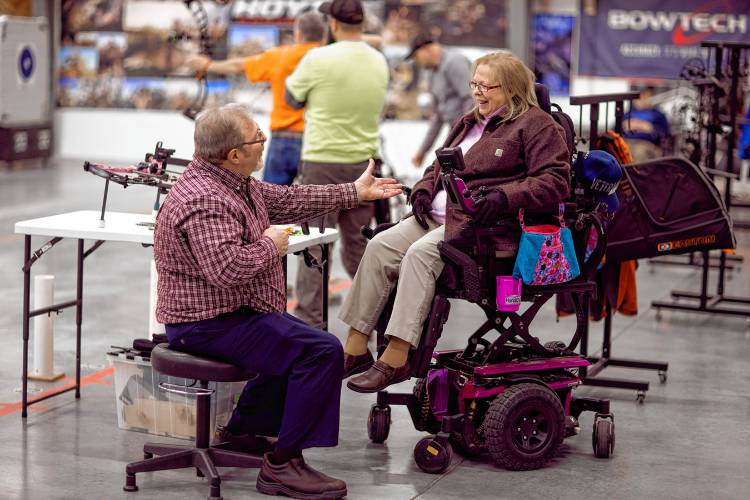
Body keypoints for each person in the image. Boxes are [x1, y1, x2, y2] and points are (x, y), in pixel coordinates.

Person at [153, 103, 401, 499]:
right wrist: (272, 243)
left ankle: (243, 432)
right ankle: (284, 464)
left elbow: (289, 200)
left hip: (233, 314)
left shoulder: (233, 182)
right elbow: (228, 270)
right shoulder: (205, 200)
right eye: (257, 138)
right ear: (234, 154)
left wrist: (354, 192)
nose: (264, 142)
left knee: (295, 340)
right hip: (205, 323)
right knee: (320, 351)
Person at [339, 51, 571, 393]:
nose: (477, 92)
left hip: (481, 229)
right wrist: (422, 190)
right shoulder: (467, 121)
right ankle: (355, 349)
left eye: (486, 86)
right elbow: (437, 167)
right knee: (379, 246)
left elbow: (555, 181)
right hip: (436, 217)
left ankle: (397, 356)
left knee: (419, 255)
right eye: (474, 83)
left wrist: (505, 196)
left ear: (511, 88)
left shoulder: (536, 125)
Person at [285, 0, 389, 326]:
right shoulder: (378, 60)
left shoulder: (317, 58)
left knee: (314, 245)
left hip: (322, 163)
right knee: (360, 247)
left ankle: (311, 326)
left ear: (332, 22)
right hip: (365, 164)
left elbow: (291, 99)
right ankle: (365, 327)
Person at [185, 12, 326, 186]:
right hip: (317, 139)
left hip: (284, 138)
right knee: (315, 200)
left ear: (298, 33)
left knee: (273, 200)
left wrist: (207, 65)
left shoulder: (280, 56)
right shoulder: (329, 58)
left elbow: (239, 66)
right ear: (324, 34)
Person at [407, 33, 474, 168]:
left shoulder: (454, 62)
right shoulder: (431, 72)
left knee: (449, 169)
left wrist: (462, 133)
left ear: (427, 49)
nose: (416, 61)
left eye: (416, 56)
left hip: (468, 130)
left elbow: (472, 99)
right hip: (455, 130)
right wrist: (422, 151)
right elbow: (437, 116)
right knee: (439, 169)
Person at [622, 86, 671, 161]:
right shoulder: (627, 114)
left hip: (646, 144)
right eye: (639, 97)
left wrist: (651, 128)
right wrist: (624, 126)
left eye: (645, 97)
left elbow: (666, 134)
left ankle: (633, 173)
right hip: (626, 142)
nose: (642, 100)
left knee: (639, 152)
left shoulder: (657, 114)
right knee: (615, 151)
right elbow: (613, 131)